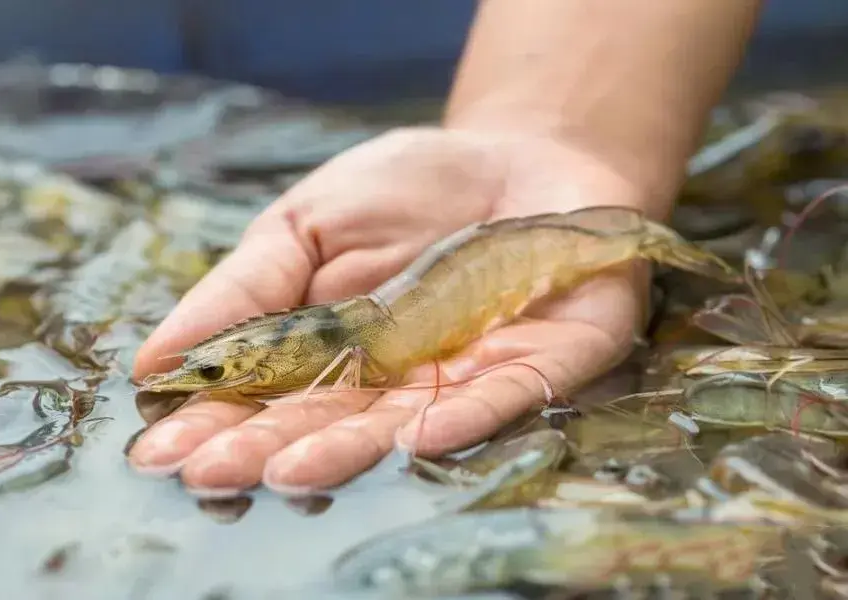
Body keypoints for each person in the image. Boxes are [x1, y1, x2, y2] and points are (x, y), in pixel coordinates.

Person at [127, 0, 764, 494]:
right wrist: (563, 135)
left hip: (509, 256)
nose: (195, 380)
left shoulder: (337, 347)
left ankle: (640, 241)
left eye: (211, 371)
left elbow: (343, 365)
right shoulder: (310, 339)